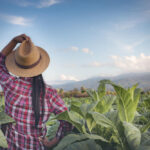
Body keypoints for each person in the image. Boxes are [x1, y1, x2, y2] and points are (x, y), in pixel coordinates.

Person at [0, 34, 72, 150]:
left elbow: (0, 61)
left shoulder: (10, 84)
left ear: (17, 65)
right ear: (39, 66)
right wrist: (53, 141)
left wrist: (13, 41)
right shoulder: (49, 93)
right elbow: (68, 120)